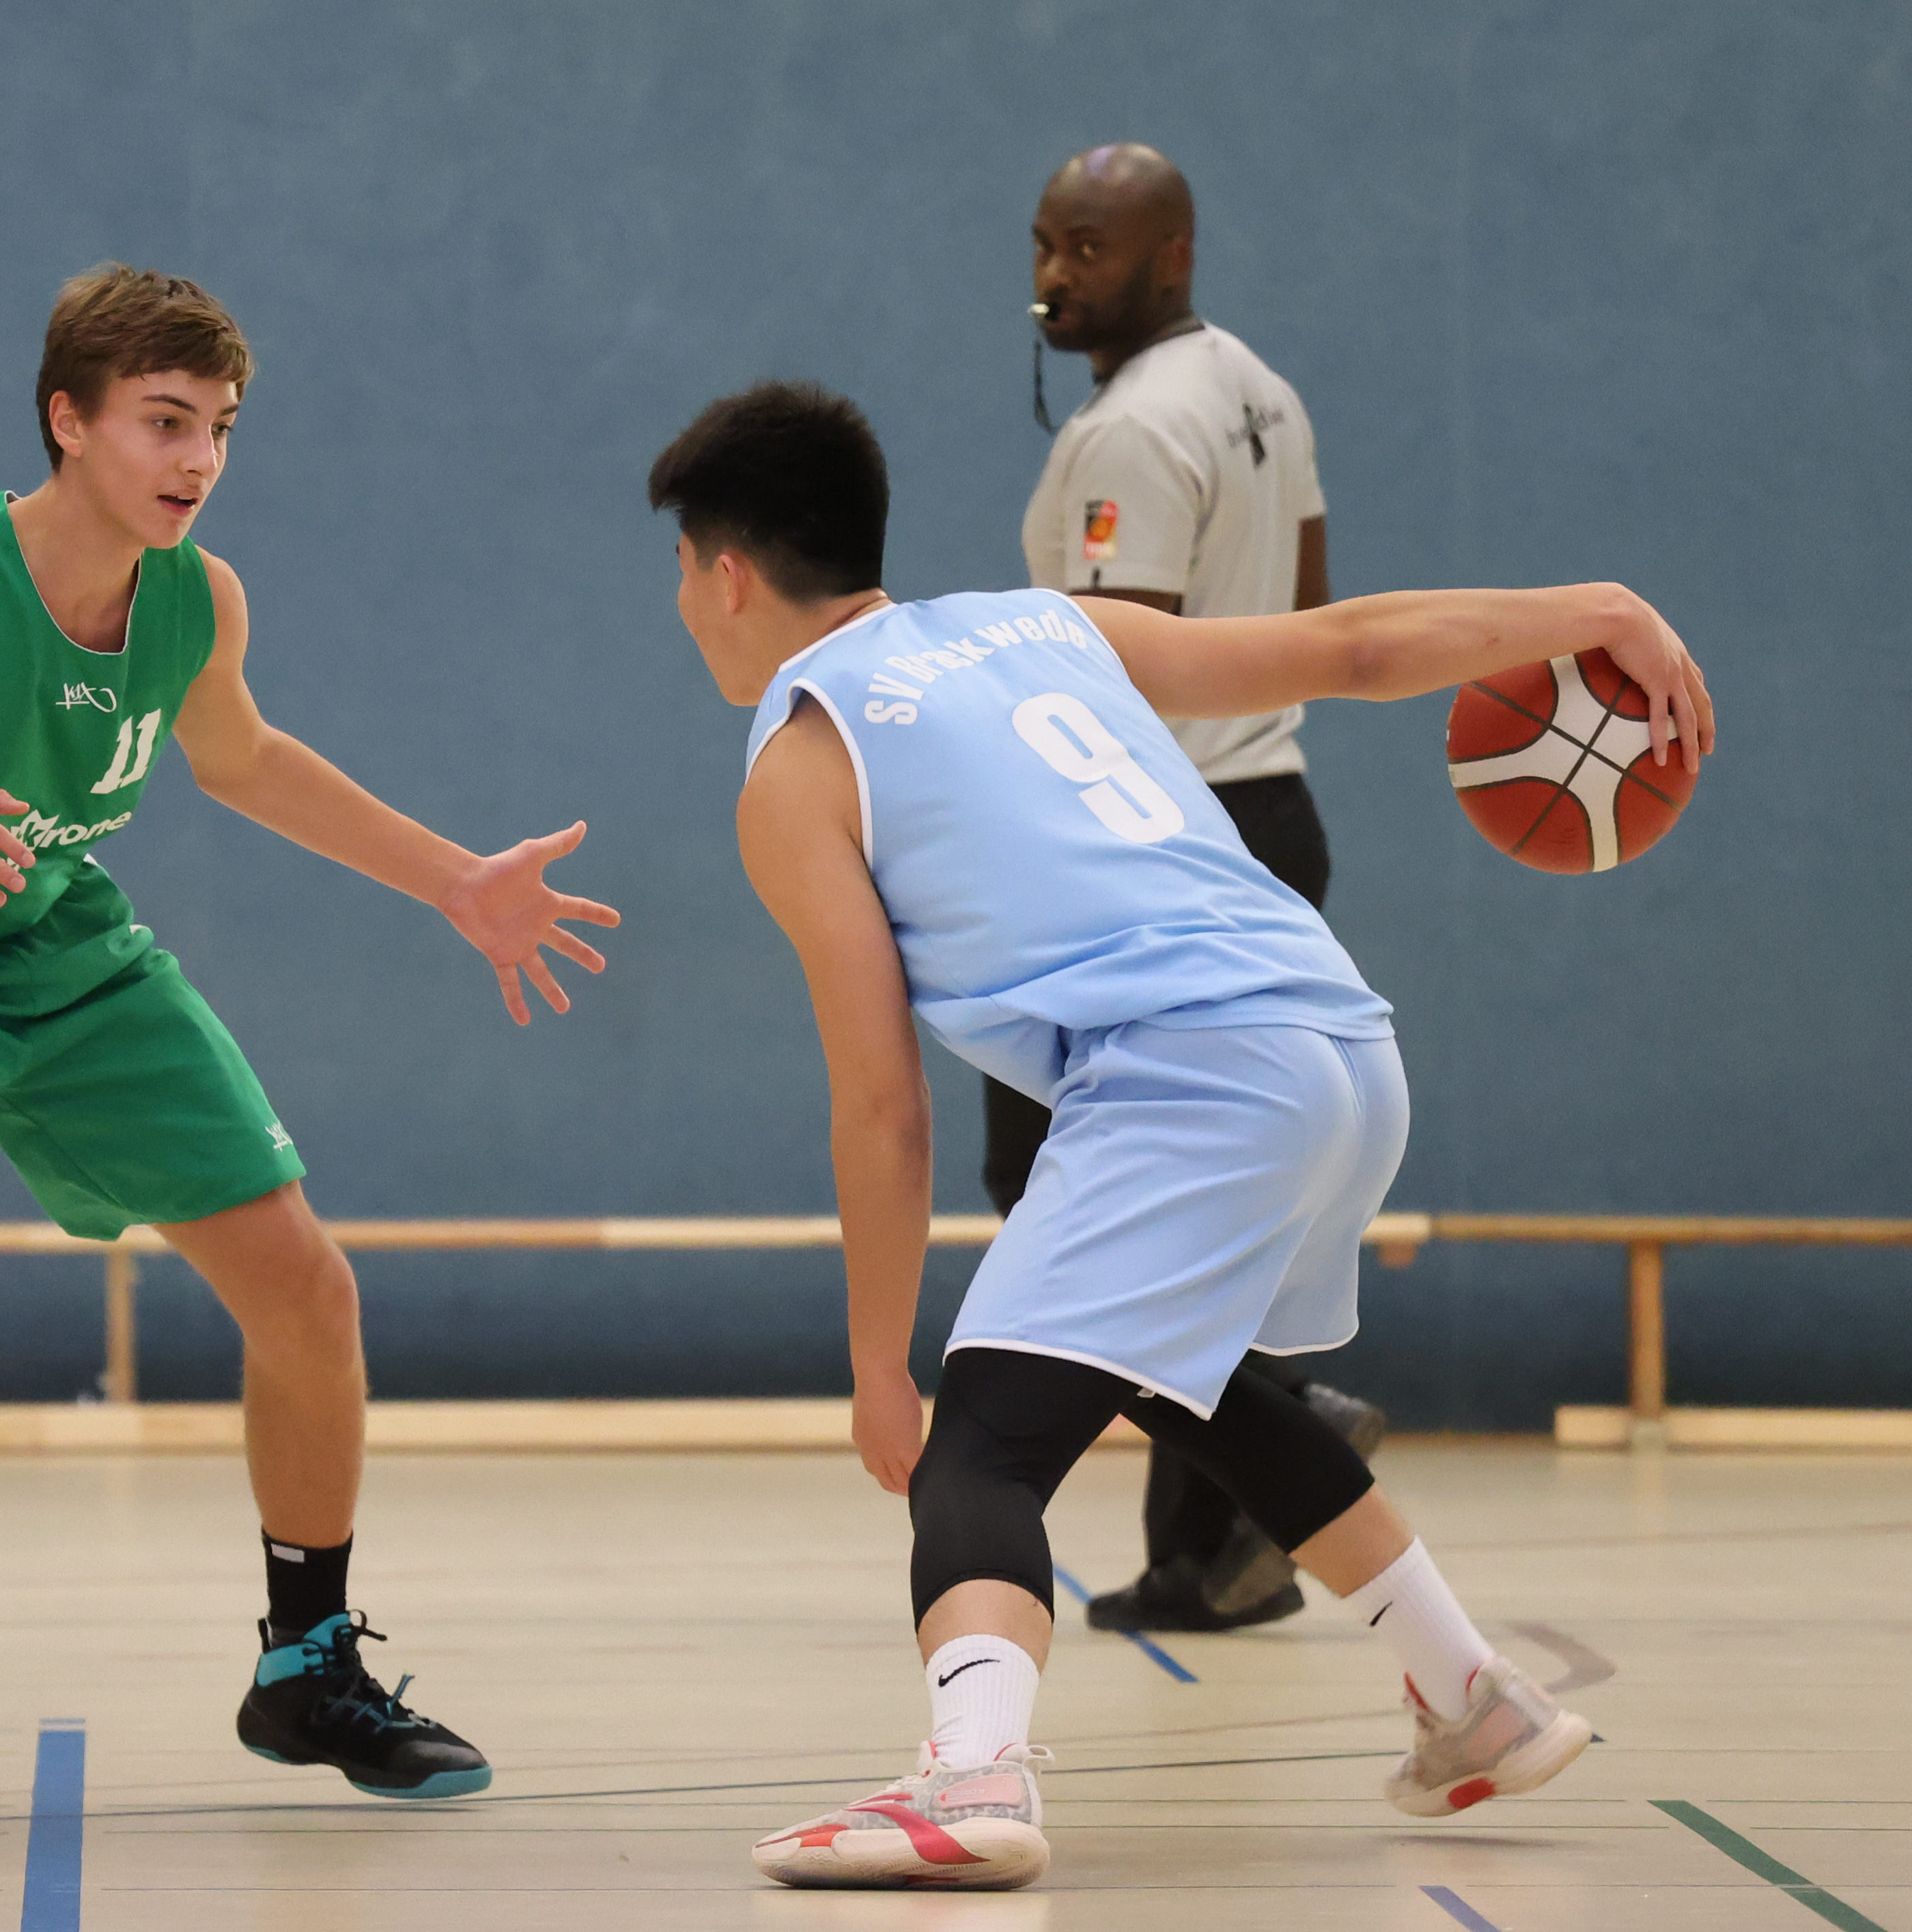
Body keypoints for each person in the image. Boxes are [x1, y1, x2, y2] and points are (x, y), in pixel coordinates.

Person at [645, 381, 1711, 1891]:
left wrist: (881, 1359)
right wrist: (1594, 609)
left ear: (726, 572)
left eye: (680, 570)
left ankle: (970, 1773)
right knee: (1183, 1380)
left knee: (982, 1449)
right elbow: (1350, 650)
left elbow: (883, 1105)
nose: (681, 603)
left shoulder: (803, 762)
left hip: (1193, 1076)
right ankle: (1470, 1693)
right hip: (1341, 1042)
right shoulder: (1044, 624)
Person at [0, 264, 621, 1823]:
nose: (198, 458)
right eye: (163, 421)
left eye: (217, 426)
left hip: (66, 953)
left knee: (307, 1284)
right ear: (68, 420)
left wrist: (457, 883)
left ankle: (307, 1665)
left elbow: (246, 758)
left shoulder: (197, 600)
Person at [1015, 140, 1386, 1634]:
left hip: (1160, 845)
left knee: (1058, 1188)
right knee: (1201, 1190)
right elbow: (1307, 603)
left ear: (1170, 254)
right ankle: (1212, 1551)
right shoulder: (1257, 391)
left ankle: (1276, 1422)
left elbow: (1113, 679)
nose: (1053, 275)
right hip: (1270, 816)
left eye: (1087, 248)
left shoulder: (1130, 431)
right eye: (1044, 244)